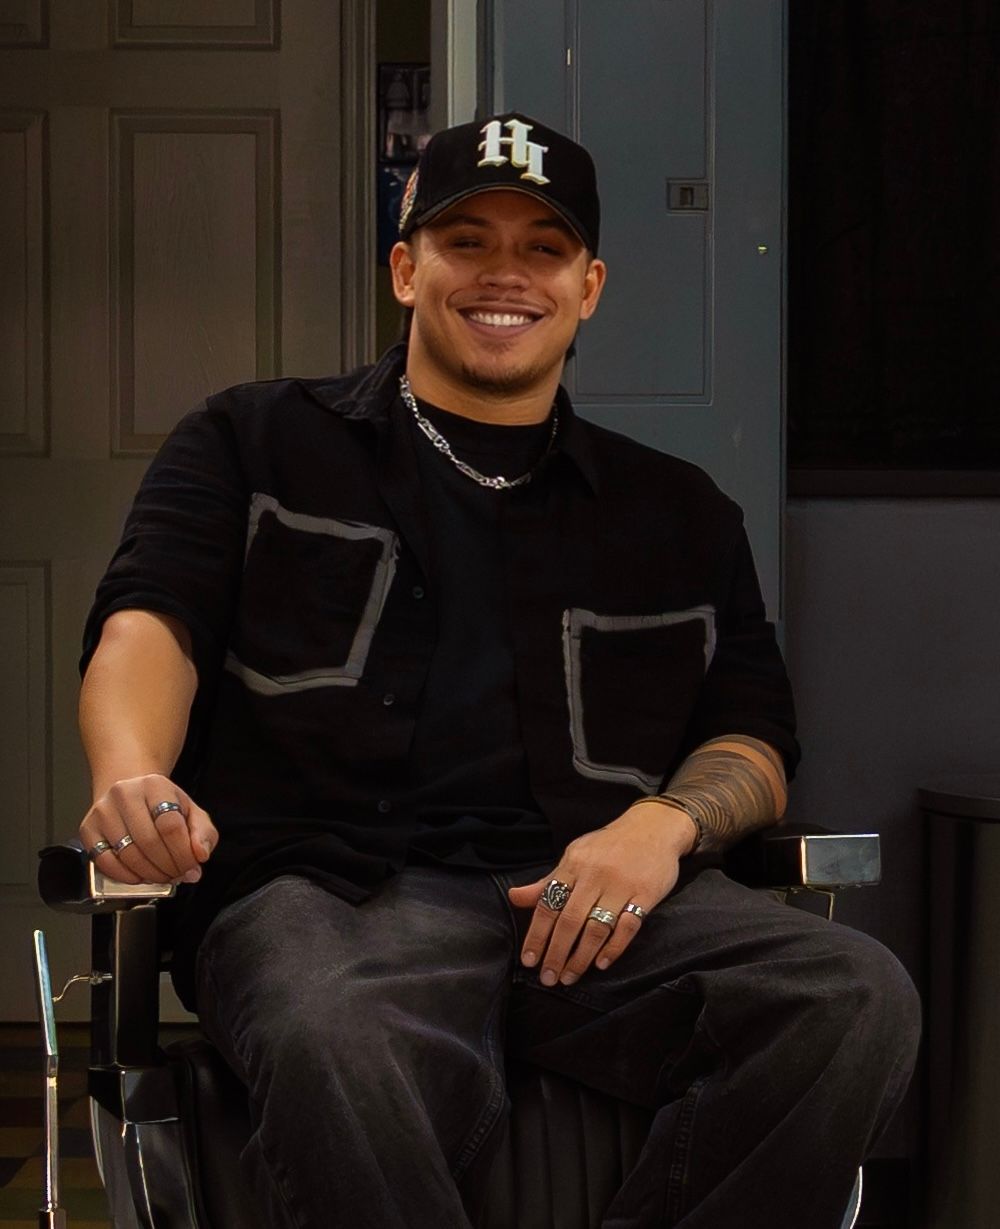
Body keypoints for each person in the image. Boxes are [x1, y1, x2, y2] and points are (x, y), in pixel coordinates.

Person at [77, 112, 920, 1228]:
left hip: (592, 906)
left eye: (543, 248)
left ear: (588, 287)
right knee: (330, 1027)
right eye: (466, 241)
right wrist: (131, 772)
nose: (504, 275)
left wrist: (659, 826)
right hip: (327, 899)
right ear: (405, 269)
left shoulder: (679, 513)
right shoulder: (255, 439)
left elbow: (753, 735)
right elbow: (152, 626)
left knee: (854, 996)